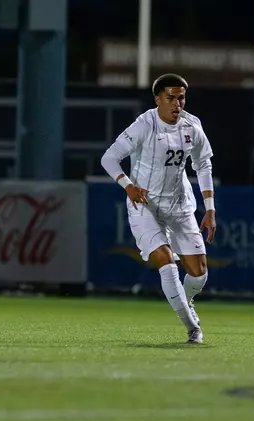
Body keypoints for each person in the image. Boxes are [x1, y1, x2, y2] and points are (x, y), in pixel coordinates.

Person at [100, 73, 216, 344]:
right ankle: (192, 328)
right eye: (171, 98)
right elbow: (110, 158)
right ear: (158, 100)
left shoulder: (192, 127)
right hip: (145, 204)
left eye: (181, 98)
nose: (177, 104)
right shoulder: (144, 126)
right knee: (165, 260)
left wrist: (209, 209)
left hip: (179, 205)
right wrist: (128, 185)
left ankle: (184, 300)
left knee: (199, 273)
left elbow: (204, 165)